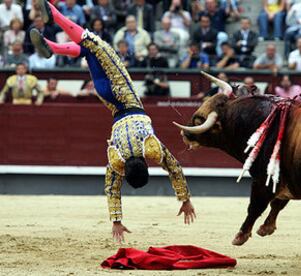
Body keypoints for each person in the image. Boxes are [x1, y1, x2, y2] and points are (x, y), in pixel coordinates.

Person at [30, 0, 195, 242]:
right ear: (127, 170)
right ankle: (51, 47)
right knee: (88, 51)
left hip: (124, 95)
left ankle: (53, 14)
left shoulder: (150, 148)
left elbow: (174, 168)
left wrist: (186, 200)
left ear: (146, 164)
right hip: (108, 99)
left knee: (95, 42)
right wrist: (116, 221)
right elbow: (112, 188)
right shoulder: (117, 160)